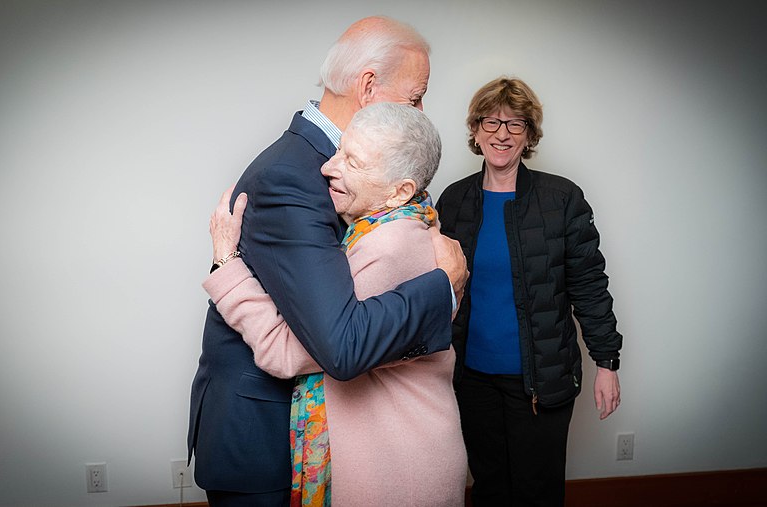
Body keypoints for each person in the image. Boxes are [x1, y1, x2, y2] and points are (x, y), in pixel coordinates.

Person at [187, 16, 468, 506]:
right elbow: (341, 344)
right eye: (415, 96)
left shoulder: (372, 180)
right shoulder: (297, 176)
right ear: (367, 86)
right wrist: (446, 285)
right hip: (262, 440)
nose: (422, 111)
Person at [435, 76, 623, 507]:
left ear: (530, 134)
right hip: (471, 380)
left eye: (515, 124)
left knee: (536, 492)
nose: (502, 134)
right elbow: (435, 288)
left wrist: (606, 362)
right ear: (476, 130)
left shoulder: (562, 199)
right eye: (491, 122)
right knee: (489, 489)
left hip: (542, 380)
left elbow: (590, 284)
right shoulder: (454, 201)